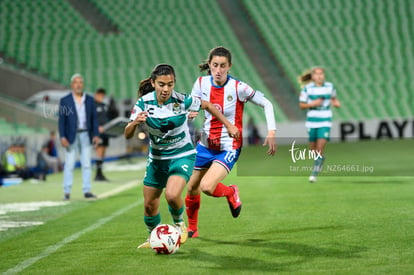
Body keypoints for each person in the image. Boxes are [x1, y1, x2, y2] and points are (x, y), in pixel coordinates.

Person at [124, 64, 239, 248]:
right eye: (161, 84)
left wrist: (228, 125)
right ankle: (153, 238)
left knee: (171, 194)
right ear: (153, 83)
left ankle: (180, 225)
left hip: (182, 155)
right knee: (149, 205)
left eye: (170, 84)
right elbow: (127, 134)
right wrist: (134, 123)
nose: (166, 89)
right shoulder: (143, 103)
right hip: (157, 159)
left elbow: (207, 105)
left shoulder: (182, 100)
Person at [185, 46, 277, 238]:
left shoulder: (239, 88)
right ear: (209, 65)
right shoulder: (201, 83)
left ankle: (230, 192)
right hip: (205, 144)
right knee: (192, 187)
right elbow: (193, 105)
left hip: (228, 146)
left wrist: (271, 131)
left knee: (207, 187)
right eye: (215, 65)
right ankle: (192, 228)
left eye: (223, 66)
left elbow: (267, 103)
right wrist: (191, 111)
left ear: (230, 66)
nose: (218, 70)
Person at [58, 73, 100, 200]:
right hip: (71, 136)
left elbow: (94, 119)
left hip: (86, 134)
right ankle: (66, 191)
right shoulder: (65, 100)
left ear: (83, 84)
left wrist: (96, 135)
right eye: (76, 82)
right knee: (69, 164)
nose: (78, 84)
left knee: (86, 164)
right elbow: (62, 120)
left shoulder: (90, 100)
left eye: (80, 82)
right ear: (72, 85)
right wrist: (62, 137)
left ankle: (87, 190)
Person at [298, 67, 341, 183]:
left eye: (321, 74)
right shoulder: (307, 89)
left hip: (325, 120)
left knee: (319, 148)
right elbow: (302, 105)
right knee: (313, 150)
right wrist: (313, 103)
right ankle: (321, 159)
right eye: (317, 74)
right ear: (312, 76)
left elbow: (334, 99)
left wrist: (336, 103)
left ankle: (314, 175)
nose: (319, 76)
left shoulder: (329, 87)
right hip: (312, 121)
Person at [94, 88, 110, 181]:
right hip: (98, 132)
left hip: (105, 132)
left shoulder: (104, 106)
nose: (101, 97)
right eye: (100, 95)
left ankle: (100, 173)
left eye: (103, 96)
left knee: (103, 151)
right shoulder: (93, 106)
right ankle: (98, 174)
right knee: (99, 151)